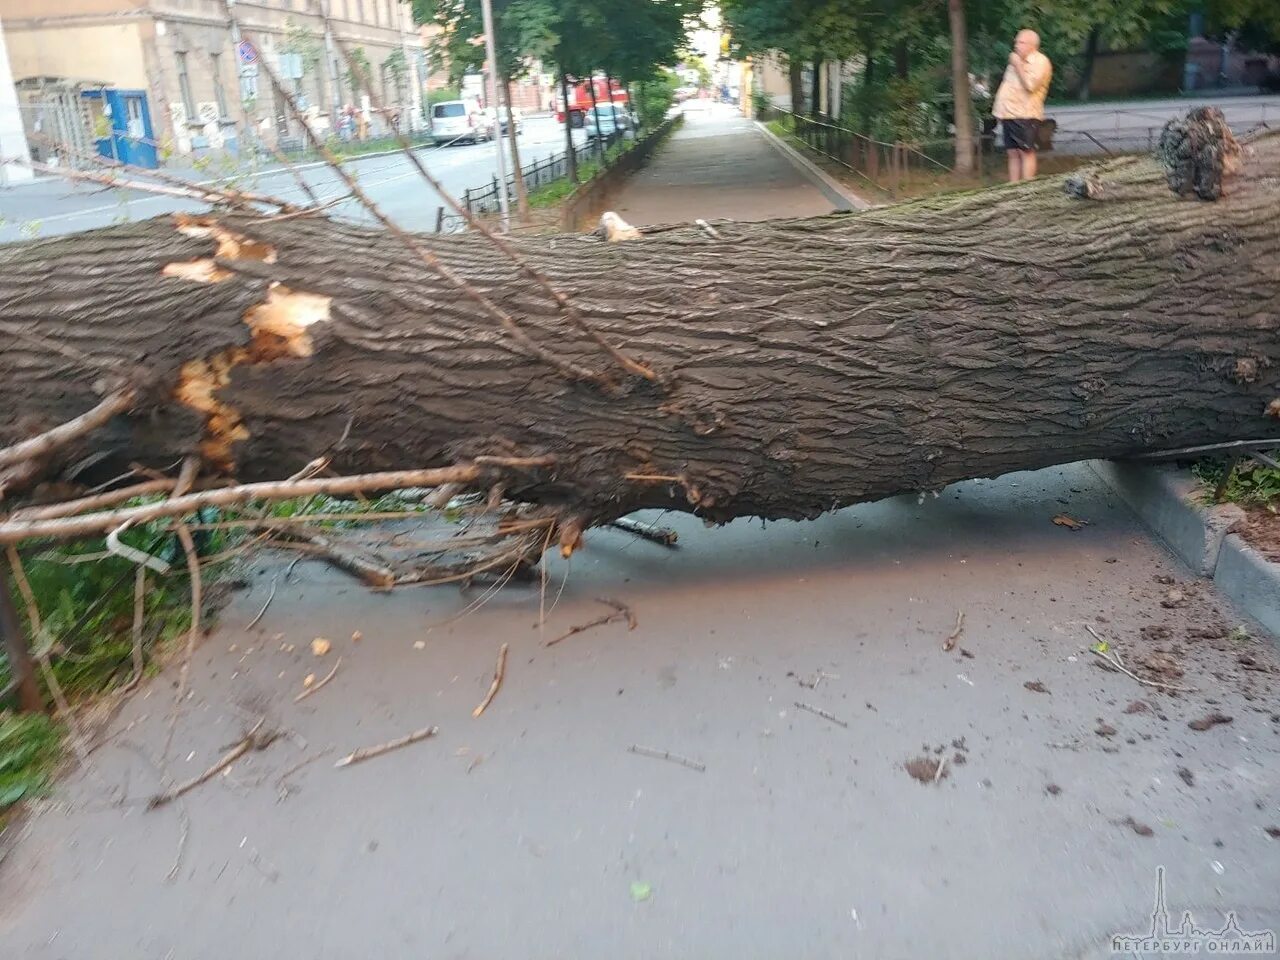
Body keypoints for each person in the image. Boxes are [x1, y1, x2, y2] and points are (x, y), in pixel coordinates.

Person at [993, 29, 1052, 182]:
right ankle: (1013, 187)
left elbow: (1030, 85)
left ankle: (1027, 186)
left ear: (1032, 45)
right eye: (1016, 42)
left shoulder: (1040, 62)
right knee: (1012, 153)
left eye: (1021, 42)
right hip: (1009, 113)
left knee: (1025, 151)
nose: (1016, 45)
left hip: (1025, 114)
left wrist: (1018, 64)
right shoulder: (1016, 60)